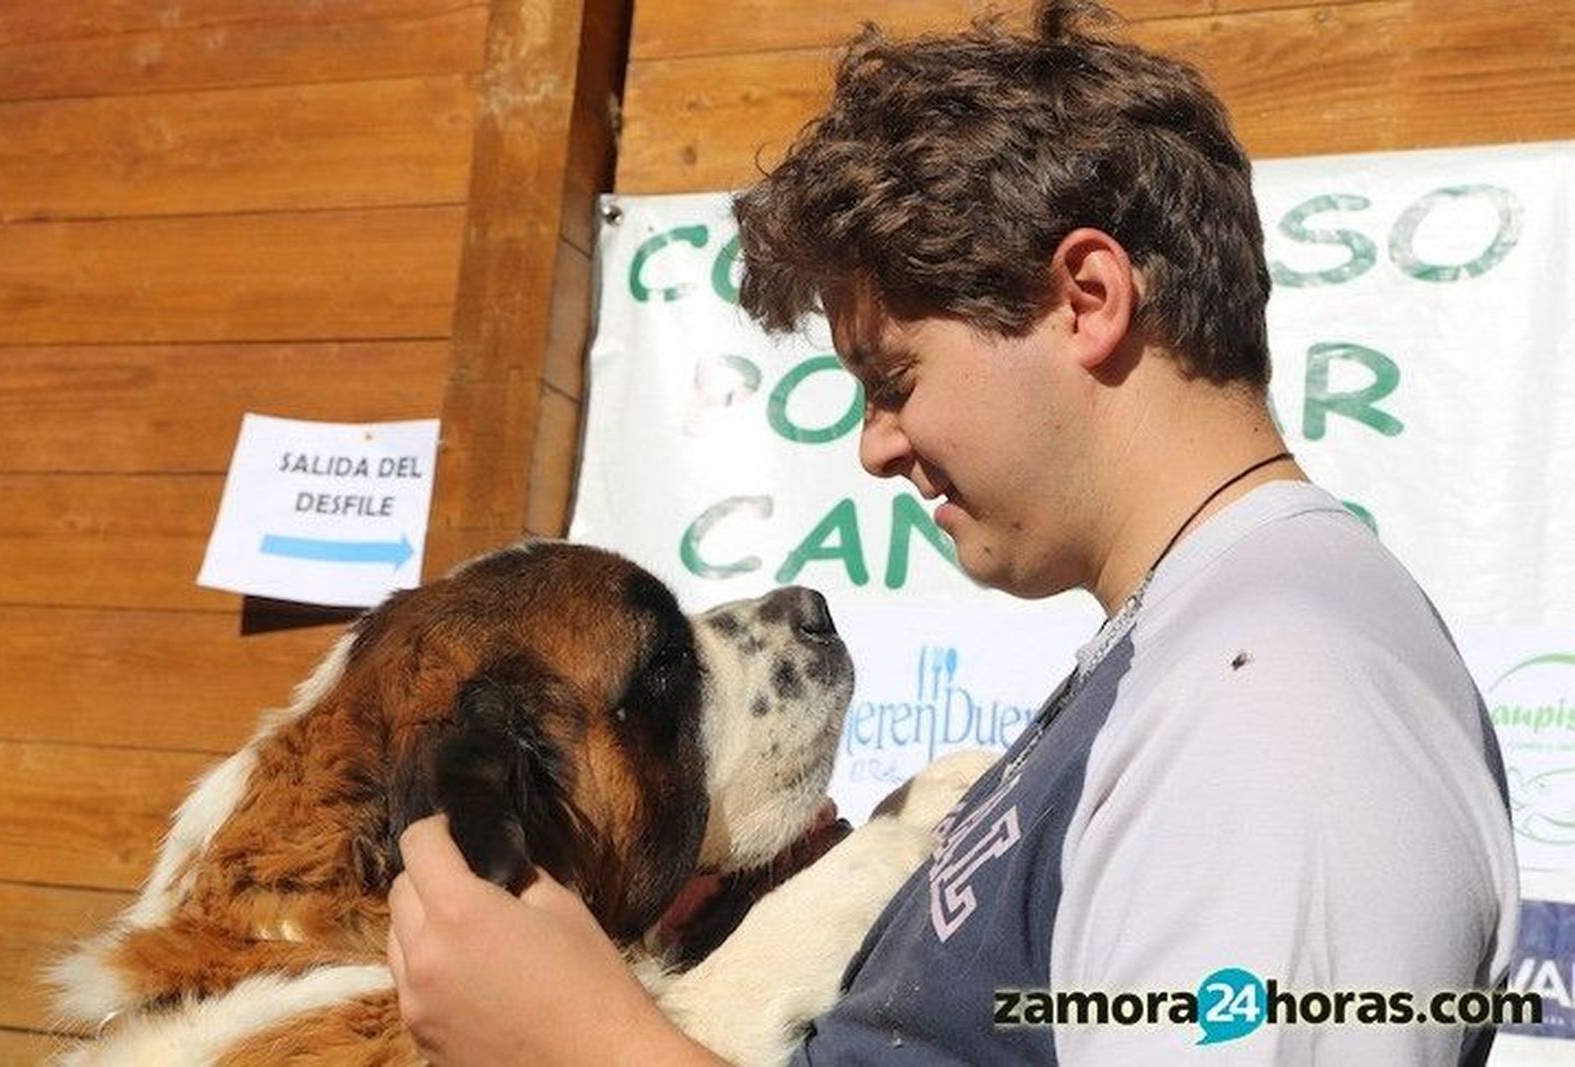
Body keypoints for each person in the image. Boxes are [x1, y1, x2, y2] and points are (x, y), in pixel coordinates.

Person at [386, 2, 1520, 1063]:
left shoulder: (1284, 709)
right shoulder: (1203, 650)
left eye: (894, 378)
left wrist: (593, 1043)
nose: (876, 446)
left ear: (1087, 297)